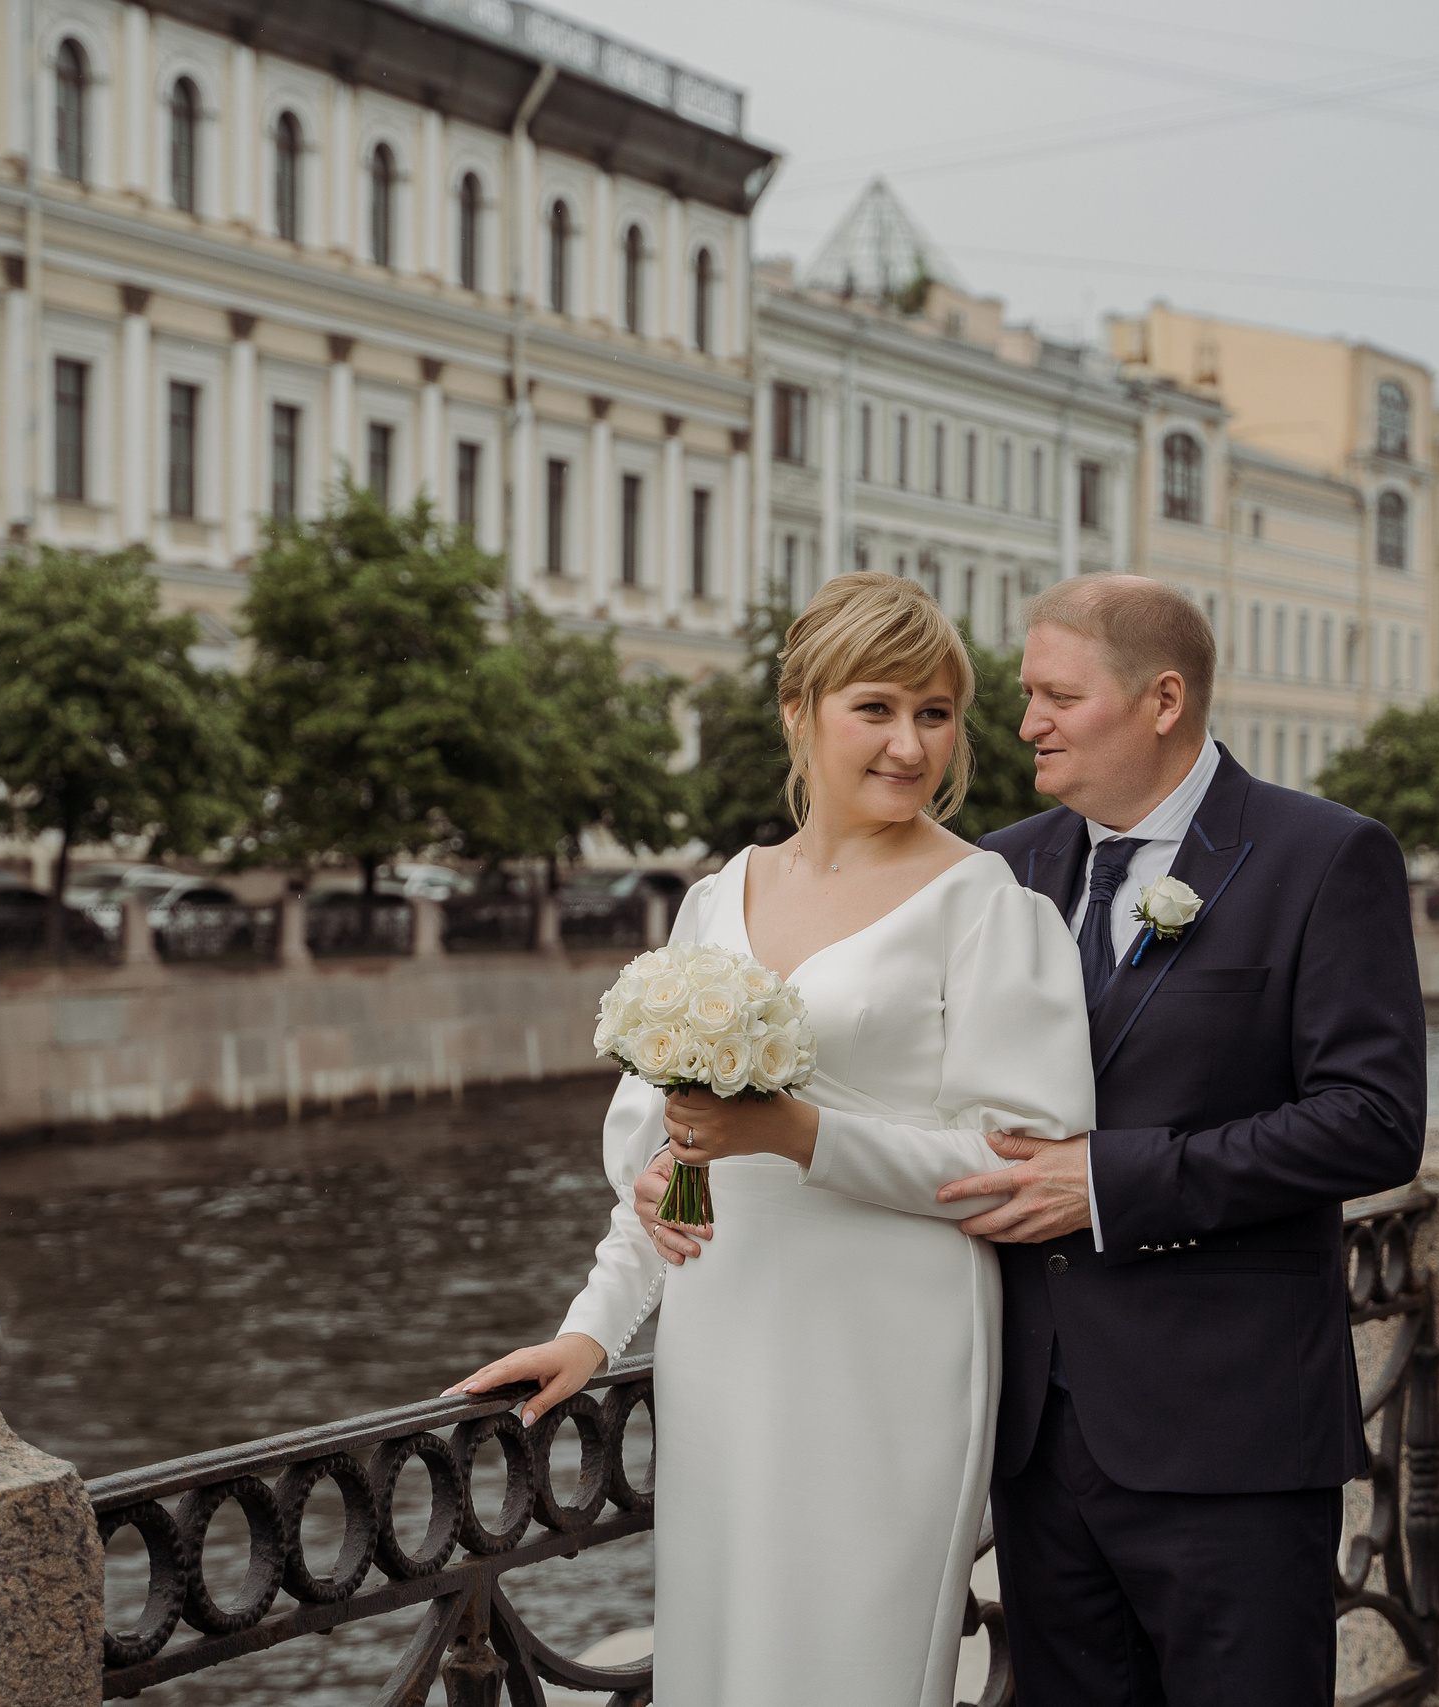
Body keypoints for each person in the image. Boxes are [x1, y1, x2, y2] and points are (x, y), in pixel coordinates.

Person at [451, 573, 1096, 1707]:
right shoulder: (718, 896)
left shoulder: (986, 903)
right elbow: (674, 1164)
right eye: (876, 708)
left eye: (936, 714)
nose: (910, 745)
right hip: (725, 1335)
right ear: (799, 710)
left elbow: (1016, 1174)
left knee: (855, 1659)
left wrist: (802, 1134)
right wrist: (592, 1329)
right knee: (725, 1656)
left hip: (893, 1339)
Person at [942, 575, 1426, 1704]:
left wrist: (1110, 1184)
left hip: (1231, 1436)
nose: (1027, 724)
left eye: (1059, 697)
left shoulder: (1324, 855)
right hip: (1035, 1439)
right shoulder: (999, 870)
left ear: (1163, 700)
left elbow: (1373, 1120)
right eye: (1026, 694)